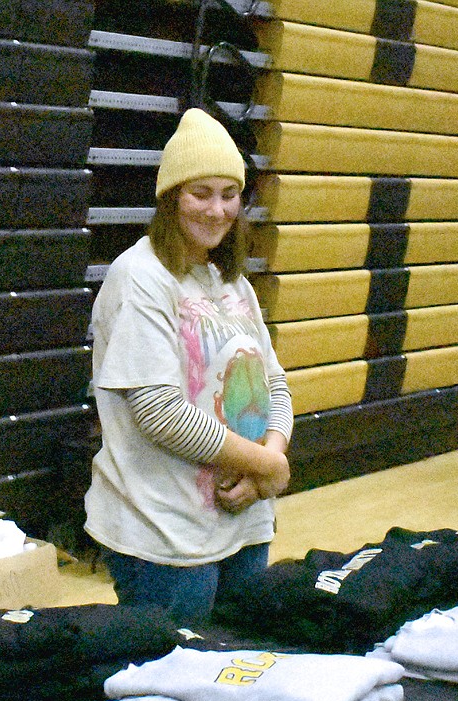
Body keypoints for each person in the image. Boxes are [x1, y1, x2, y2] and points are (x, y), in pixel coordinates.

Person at [84, 108, 293, 622]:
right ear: (171, 198)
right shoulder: (140, 277)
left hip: (243, 520)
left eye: (229, 193)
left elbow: (275, 384)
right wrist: (266, 466)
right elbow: (160, 412)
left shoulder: (232, 283)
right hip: (166, 539)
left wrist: (265, 465)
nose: (217, 210)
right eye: (201, 193)